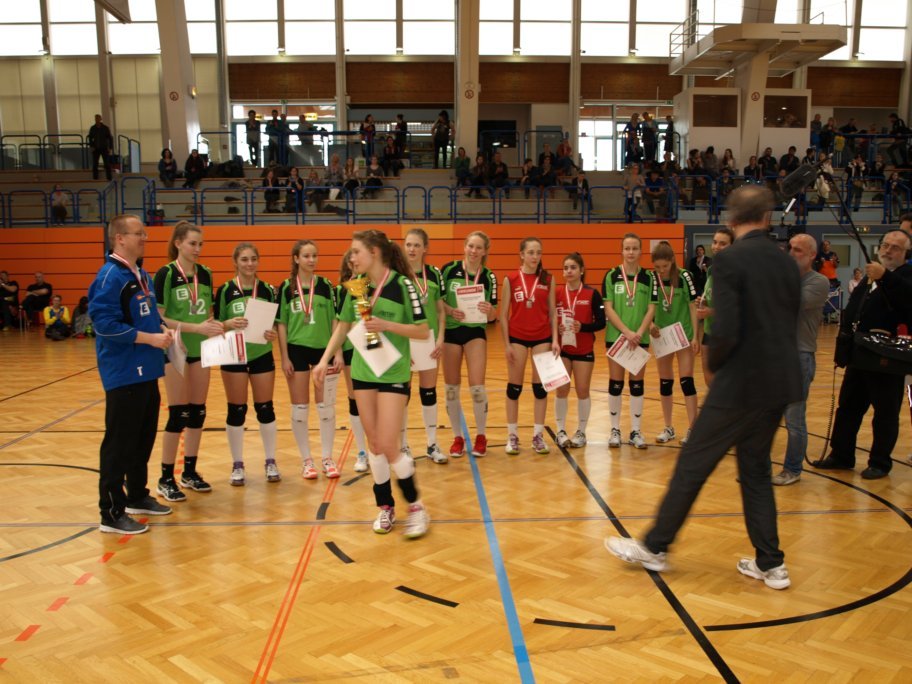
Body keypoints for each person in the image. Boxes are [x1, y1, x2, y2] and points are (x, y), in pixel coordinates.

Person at [606, 185, 801, 591]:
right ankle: (771, 564)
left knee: (693, 463)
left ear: (731, 219)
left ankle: (655, 546)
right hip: (781, 381)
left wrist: (715, 366)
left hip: (741, 383)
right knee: (755, 470)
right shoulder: (785, 261)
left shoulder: (729, 260)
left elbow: (725, 327)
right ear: (767, 218)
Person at [313, 229, 431, 538]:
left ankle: (416, 506)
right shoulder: (358, 286)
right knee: (375, 445)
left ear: (374, 253)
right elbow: (343, 326)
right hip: (363, 373)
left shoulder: (404, 285)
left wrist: (388, 325)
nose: (351, 257)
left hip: (393, 373)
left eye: (356, 251)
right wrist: (324, 360)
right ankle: (385, 507)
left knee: (389, 445)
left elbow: (422, 330)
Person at [89, 214, 174, 534]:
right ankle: (111, 513)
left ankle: (137, 495)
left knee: (142, 439)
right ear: (120, 238)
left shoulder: (141, 273)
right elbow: (104, 325)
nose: (144, 238)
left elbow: (147, 315)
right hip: (124, 372)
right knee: (119, 444)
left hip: (147, 370)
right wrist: (150, 339)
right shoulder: (110, 277)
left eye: (144, 233)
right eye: (138, 233)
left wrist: (162, 329)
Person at [813, 230, 912, 480]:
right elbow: (853, 310)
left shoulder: (905, 276)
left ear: (906, 253)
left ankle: (880, 462)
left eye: (895, 247)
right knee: (848, 407)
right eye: (885, 245)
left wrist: (885, 277)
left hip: (887, 356)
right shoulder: (869, 276)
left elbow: (907, 301)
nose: (888, 250)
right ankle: (841, 455)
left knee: (885, 413)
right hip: (859, 353)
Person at [153, 222, 223, 502]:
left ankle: (189, 472)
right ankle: (165, 478)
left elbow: (206, 312)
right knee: (178, 414)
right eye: (193, 243)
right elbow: (160, 317)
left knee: (198, 412)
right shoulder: (166, 274)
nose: (197, 249)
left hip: (201, 350)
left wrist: (215, 326)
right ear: (178, 243)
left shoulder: (206, 273)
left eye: (200, 244)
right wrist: (196, 328)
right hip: (176, 351)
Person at [214, 243, 280, 487]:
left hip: (261, 353)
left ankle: (270, 461)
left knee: (265, 408)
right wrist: (229, 323)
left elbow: (274, 325)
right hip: (233, 354)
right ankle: (238, 464)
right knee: (236, 410)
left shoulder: (268, 290)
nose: (250, 264)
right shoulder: (225, 290)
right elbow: (216, 325)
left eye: (253, 259)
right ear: (235, 262)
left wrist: (272, 333)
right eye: (244, 259)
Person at [277, 240, 343, 481]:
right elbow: (281, 324)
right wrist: (284, 357)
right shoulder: (286, 287)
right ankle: (307, 461)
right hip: (296, 350)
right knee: (300, 408)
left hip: (323, 352)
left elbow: (336, 321)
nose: (311, 260)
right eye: (306, 256)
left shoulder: (325, 285)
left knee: (325, 407)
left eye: (314, 255)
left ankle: (327, 458)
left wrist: (337, 352)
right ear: (296, 259)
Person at [772, 234, 830, 486]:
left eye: (798, 250)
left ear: (812, 255)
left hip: (799, 355)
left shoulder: (818, 282)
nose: (791, 253)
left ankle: (792, 469)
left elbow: (789, 304)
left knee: (794, 418)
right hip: (774, 354)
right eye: (790, 249)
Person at [440, 232, 498, 458]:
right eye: (471, 246)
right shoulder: (448, 269)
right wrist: (449, 310)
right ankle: (457, 437)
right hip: (451, 332)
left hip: (475, 332)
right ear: (464, 247)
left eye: (479, 247)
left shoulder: (489, 276)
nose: (474, 251)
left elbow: (493, 315)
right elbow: (438, 302)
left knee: (477, 388)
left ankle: (481, 435)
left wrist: (489, 310)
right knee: (451, 389)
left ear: (485, 251)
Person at [500, 237, 559, 455]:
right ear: (522, 255)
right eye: (531, 252)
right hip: (517, 337)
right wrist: (506, 344)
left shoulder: (548, 279)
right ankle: (512, 435)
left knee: (540, 389)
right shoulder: (511, 279)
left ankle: (538, 436)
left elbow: (553, 313)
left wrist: (555, 340)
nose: (535, 256)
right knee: (514, 388)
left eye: (538, 252)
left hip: (542, 337)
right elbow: (503, 315)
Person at [602, 233, 656, 449]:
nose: (631, 252)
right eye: (627, 248)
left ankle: (635, 430)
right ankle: (615, 430)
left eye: (634, 248)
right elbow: (608, 308)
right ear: (622, 251)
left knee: (637, 384)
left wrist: (639, 333)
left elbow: (651, 308)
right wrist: (626, 332)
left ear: (641, 251)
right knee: (616, 383)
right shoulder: (611, 275)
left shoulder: (649, 277)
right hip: (616, 338)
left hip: (639, 339)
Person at [402, 229, 448, 464]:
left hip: (429, 340)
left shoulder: (435, 274)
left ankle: (432, 444)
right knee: (402, 394)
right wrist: (401, 346)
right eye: (408, 244)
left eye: (417, 245)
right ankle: (403, 446)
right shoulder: (397, 274)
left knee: (428, 392)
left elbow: (440, 311)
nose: (412, 249)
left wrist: (440, 338)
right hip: (405, 339)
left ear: (425, 248)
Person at [649, 242, 700, 445]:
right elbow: (647, 308)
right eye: (657, 267)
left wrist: (695, 337)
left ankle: (693, 428)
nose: (661, 270)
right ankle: (668, 428)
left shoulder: (685, 276)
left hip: (683, 335)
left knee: (686, 381)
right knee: (665, 382)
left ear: (672, 261)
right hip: (662, 337)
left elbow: (693, 307)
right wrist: (650, 325)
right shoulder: (652, 279)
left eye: (665, 266)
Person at [554, 253, 605, 448]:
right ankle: (560, 431)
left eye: (573, 267)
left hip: (584, 349)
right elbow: (549, 318)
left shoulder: (592, 294)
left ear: (581, 270)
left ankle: (581, 432)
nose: (569, 271)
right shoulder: (557, 293)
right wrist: (556, 329)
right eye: (566, 268)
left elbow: (601, 322)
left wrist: (582, 327)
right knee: (562, 390)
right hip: (563, 350)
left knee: (582, 390)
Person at [335, 251, 370, 473]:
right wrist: (338, 353)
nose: (355, 264)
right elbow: (338, 323)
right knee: (354, 400)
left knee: (374, 401)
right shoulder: (342, 290)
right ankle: (361, 451)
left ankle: (377, 449)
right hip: (350, 349)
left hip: (372, 349)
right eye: (351, 262)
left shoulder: (371, 286)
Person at [696, 227, 734, 387]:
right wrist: (702, 302)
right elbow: (711, 296)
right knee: (709, 380)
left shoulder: (735, 272)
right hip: (709, 330)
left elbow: (738, 306)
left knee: (726, 383)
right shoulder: (711, 270)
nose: (717, 247)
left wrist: (710, 311)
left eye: (723, 244)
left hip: (728, 333)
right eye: (715, 242)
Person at [87, 114, 114, 182]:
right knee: (95, 164)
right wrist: (91, 146)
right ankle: (95, 179)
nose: (97, 119)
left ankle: (109, 179)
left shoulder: (105, 128)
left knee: (107, 164)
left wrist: (110, 147)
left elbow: (110, 138)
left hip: (104, 148)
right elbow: (90, 138)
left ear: (100, 119)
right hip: (96, 149)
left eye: (98, 118)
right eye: (96, 118)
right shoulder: (92, 128)